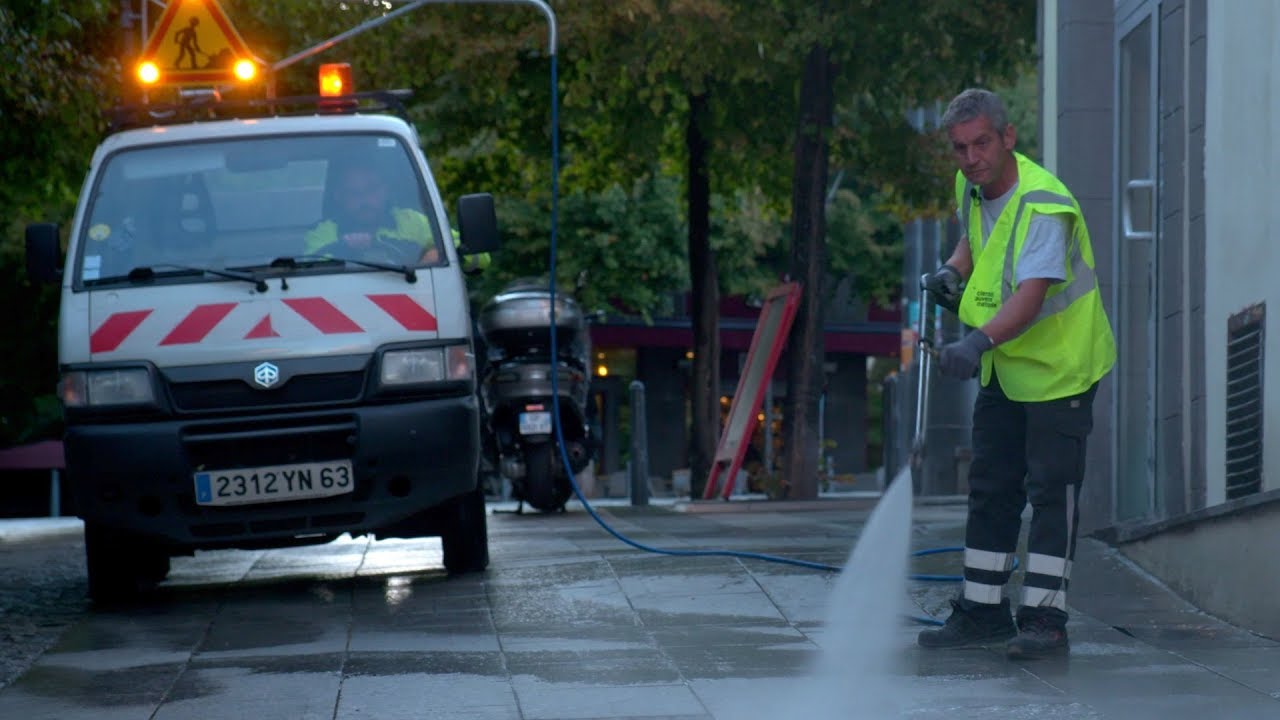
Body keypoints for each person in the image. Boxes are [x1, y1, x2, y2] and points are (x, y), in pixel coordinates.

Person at [915, 88, 1116, 659]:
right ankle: (982, 613)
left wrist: (974, 342)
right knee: (990, 487)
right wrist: (950, 271)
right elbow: (975, 239)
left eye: (982, 142)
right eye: (960, 148)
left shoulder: (1045, 205)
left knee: (1051, 493)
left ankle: (1045, 623)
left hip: (1061, 369)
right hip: (1008, 369)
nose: (972, 157)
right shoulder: (970, 187)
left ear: (1007, 138)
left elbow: (1030, 296)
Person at [303, 157, 490, 273]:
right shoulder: (323, 232)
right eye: (354, 193)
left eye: (372, 190)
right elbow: (309, 270)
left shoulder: (412, 222)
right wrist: (346, 250)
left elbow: (480, 257)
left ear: (386, 190)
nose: (365, 200)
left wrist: (441, 252)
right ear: (339, 197)